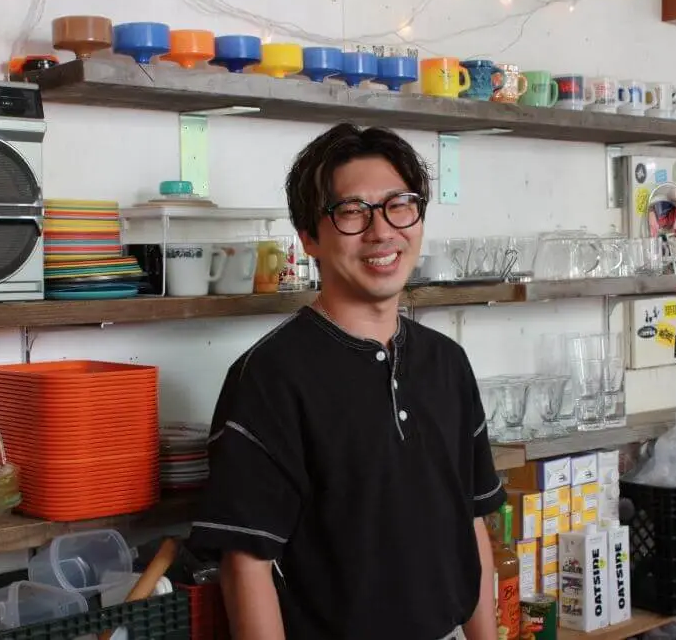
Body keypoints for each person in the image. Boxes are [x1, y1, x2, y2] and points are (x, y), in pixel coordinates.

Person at [188, 123, 506, 640]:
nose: (382, 231)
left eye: (399, 205)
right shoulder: (269, 377)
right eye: (353, 211)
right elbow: (247, 564)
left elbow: (469, 521)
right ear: (309, 237)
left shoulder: (448, 363)